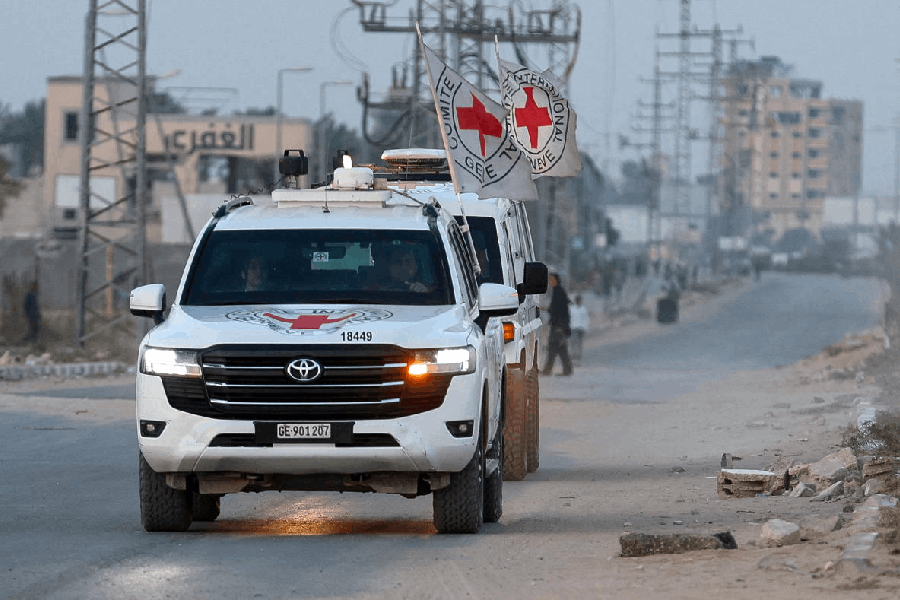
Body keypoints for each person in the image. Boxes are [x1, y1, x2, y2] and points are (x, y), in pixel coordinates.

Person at [541, 272, 573, 376]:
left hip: (558, 325)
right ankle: (567, 370)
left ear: (556, 280)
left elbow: (561, 310)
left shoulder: (559, 292)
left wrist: (561, 326)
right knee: (560, 348)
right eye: (549, 279)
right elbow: (555, 309)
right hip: (558, 324)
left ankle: (548, 370)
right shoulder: (557, 291)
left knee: (553, 347)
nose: (550, 282)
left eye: (552, 279)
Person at [569, 294, 589, 363]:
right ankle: (573, 355)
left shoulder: (583, 309)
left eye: (579, 301)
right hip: (573, 328)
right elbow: (570, 318)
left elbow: (586, 319)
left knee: (579, 343)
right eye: (577, 300)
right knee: (573, 342)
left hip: (581, 328)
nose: (578, 302)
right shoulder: (572, 309)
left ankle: (578, 355)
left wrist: (585, 328)